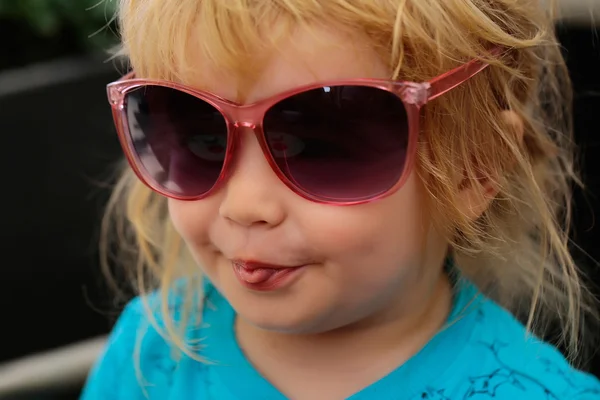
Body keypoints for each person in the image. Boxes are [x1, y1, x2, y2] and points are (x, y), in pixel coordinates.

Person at [81, 0, 600, 398]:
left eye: (321, 147)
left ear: (473, 168)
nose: (245, 205)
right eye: (201, 137)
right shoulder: (149, 356)